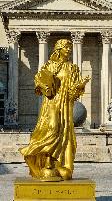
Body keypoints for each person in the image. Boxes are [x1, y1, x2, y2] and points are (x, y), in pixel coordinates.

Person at [19, 39, 89, 180]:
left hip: (66, 106)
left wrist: (80, 86)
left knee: (65, 134)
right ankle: (40, 157)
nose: (68, 50)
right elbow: (39, 85)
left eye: (70, 47)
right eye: (65, 47)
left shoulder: (72, 68)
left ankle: (58, 165)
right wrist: (45, 85)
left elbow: (73, 94)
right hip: (51, 104)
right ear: (58, 49)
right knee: (50, 130)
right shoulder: (49, 66)